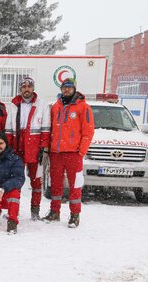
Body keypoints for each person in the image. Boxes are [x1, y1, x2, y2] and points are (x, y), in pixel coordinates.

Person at [43, 78, 94, 228]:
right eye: (64, 87)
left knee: (75, 185)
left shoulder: (83, 107)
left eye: (69, 87)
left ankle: (74, 215)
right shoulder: (55, 106)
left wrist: (81, 152)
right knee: (56, 185)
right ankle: (54, 212)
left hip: (74, 154)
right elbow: (50, 128)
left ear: (74, 89)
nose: (66, 90)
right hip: (56, 153)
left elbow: (88, 132)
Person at [5, 77, 51, 220]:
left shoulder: (41, 104)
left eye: (29, 86)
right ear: (20, 89)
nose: (26, 89)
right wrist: (8, 148)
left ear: (33, 88)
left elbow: (45, 129)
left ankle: (35, 210)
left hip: (35, 148)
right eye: (23, 86)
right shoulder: (13, 105)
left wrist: (44, 148)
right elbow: (8, 129)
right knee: (15, 180)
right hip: (17, 147)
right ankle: (13, 210)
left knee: (36, 181)